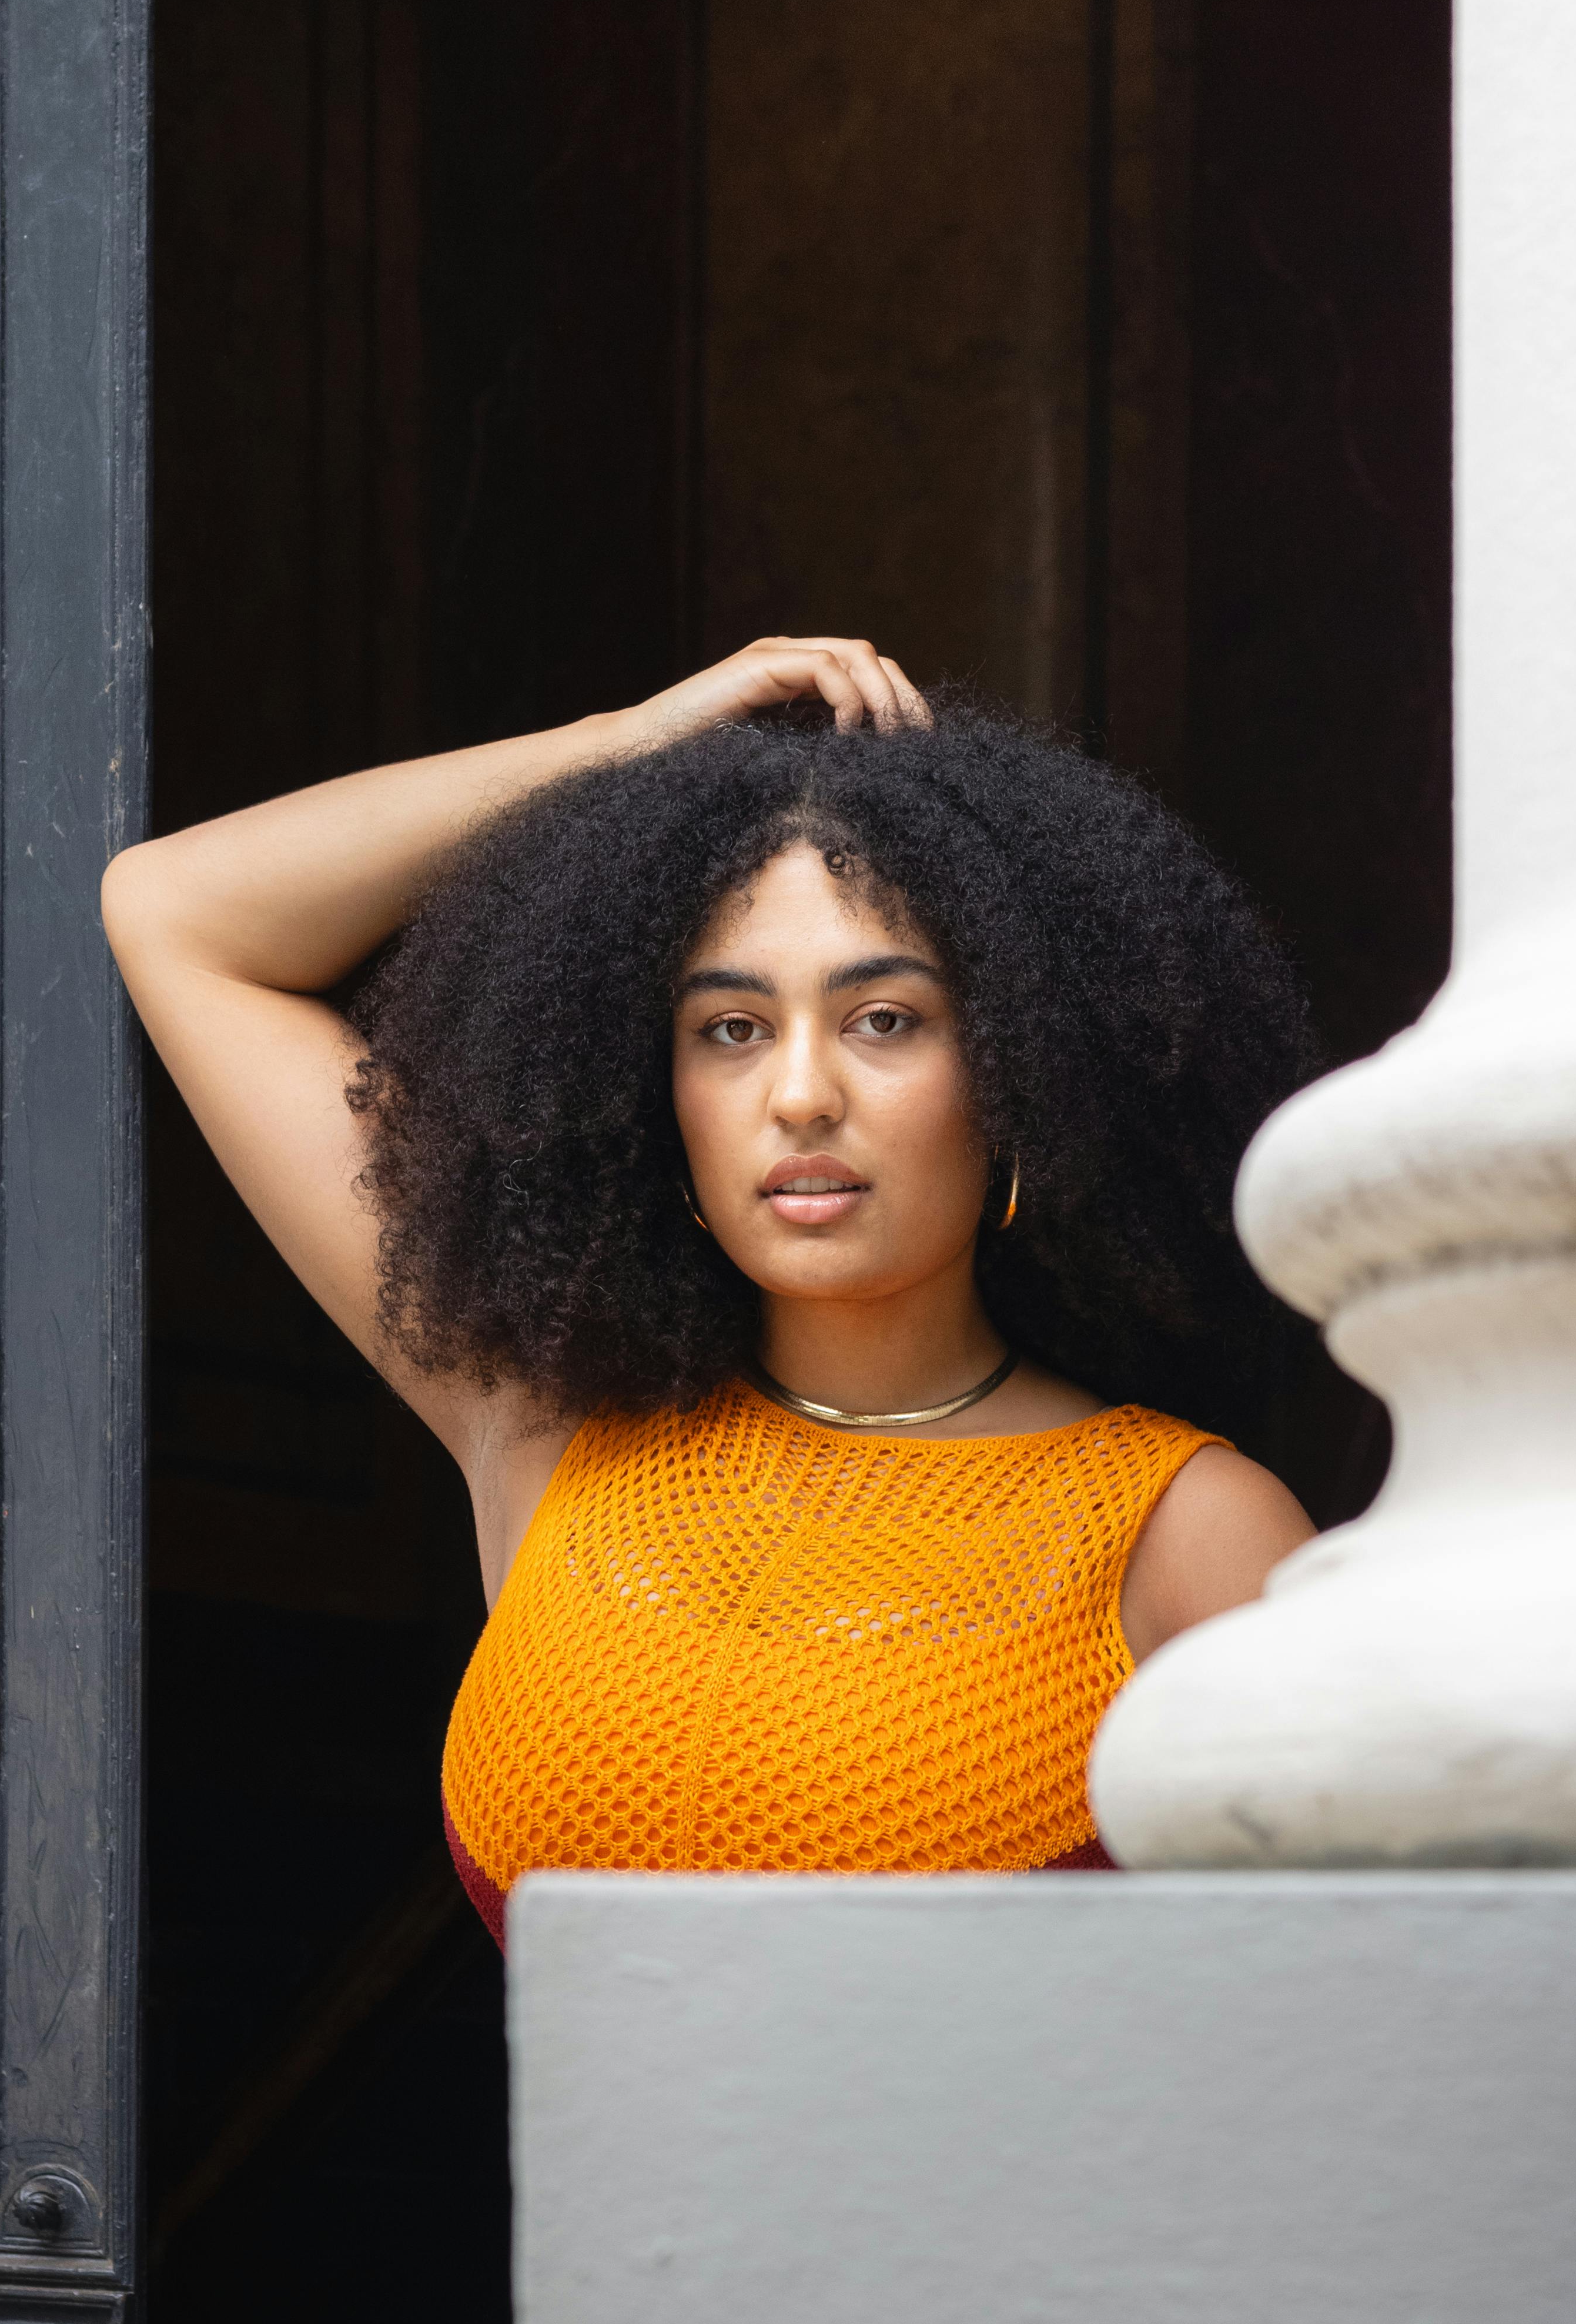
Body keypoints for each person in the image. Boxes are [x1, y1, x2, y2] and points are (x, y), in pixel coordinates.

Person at [102, 637, 1316, 1944]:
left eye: (884, 1019)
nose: (799, 1093)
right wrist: (619, 748)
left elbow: (1337, 2044)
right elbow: (176, 911)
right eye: (730, 1028)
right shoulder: (546, 1429)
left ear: (1023, 1070)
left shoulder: (1189, 1532)